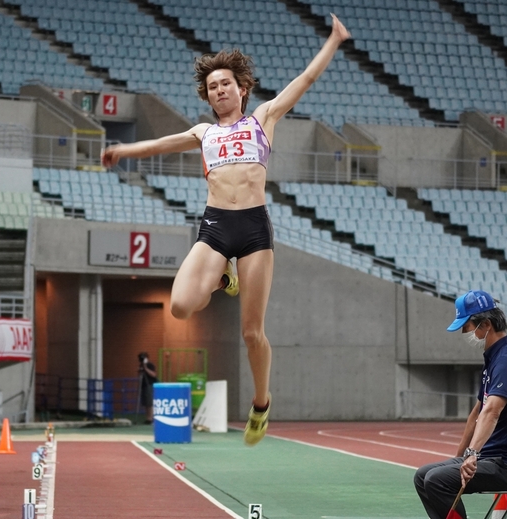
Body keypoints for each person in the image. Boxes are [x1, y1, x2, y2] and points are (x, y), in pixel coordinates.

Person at [102, 14, 350, 446]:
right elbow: (161, 144)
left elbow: (306, 78)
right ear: (208, 95)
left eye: (226, 84)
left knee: (252, 332)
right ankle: (221, 276)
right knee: (180, 306)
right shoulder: (203, 132)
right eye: (212, 86)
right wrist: (124, 150)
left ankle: (261, 402)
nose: (219, 90)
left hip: (254, 229)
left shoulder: (263, 119)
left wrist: (334, 39)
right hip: (215, 226)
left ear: (242, 89)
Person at [414, 290, 507, 519]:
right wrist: (459, 457)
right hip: (491, 459)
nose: (465, 332)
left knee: (436, 480)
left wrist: (472, 454)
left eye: (468, 326)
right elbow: (476, 413)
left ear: (486, 324)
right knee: (423, 476)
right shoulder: (494, 357)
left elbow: (492, 410)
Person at [137, 352, 158, 424]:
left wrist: (145, 368)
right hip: (144, 385)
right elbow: (139, 374)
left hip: (150, 385)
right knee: (146, 403)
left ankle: (151, 418)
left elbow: (154, 374)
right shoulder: (141, 365)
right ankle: (148, 418)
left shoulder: (150, 365)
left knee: (150, 402)